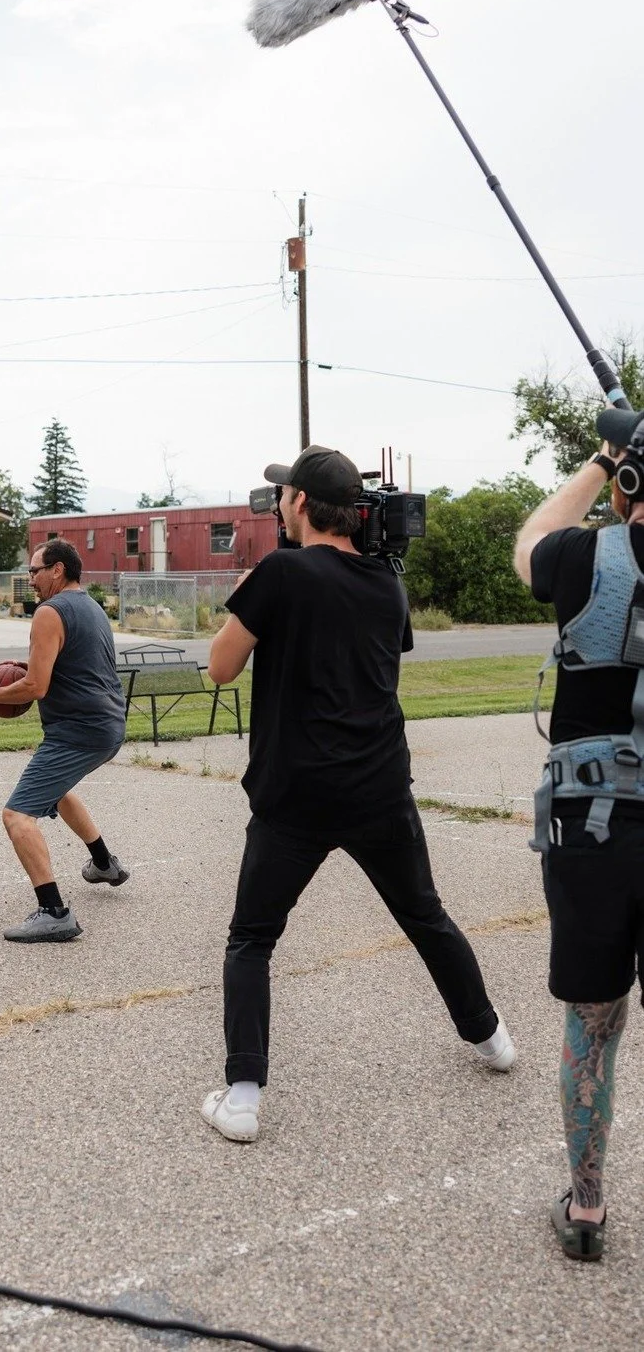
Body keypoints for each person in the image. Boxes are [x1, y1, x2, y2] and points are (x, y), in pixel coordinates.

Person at [200, 444, 514, 1144]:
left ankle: (244, 1096)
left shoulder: (280, 570)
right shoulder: (385, 583)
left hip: (296, 795)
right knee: (425, 917)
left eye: (284, 495)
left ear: (302, 504)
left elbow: (220, 667)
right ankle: (491, 1039)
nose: (278, 503)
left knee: (252, 938)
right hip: (378, 788)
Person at [513, 414, 644, 1260]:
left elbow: (532, 539)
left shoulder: (586, 558)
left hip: (597, 826)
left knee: (593, 1024)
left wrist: (605, 459)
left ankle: (587, 1209)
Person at [0, 539, 129, 943]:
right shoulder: (90, 607)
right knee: (57, 793)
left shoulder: (49, 611)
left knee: (17, 817)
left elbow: (36, 687)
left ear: (57, 570)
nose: (30, 580)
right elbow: (73, 663)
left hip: (78, 730)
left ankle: (54, 911)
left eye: (34, 571)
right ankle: (104, 863)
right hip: (108, 724)